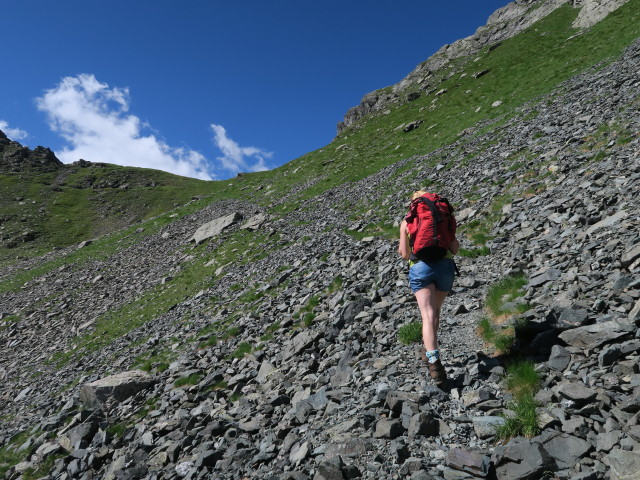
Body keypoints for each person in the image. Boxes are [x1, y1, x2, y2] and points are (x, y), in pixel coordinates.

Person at [398, 190, 459, 385]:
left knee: (427, 315)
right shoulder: (445, 216)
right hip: (445, 267)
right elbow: (454, 248)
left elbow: (404, 254)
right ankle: (428, 349)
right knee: (435, 312)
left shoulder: (408, 221)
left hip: (420, 268)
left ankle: (434, 363)